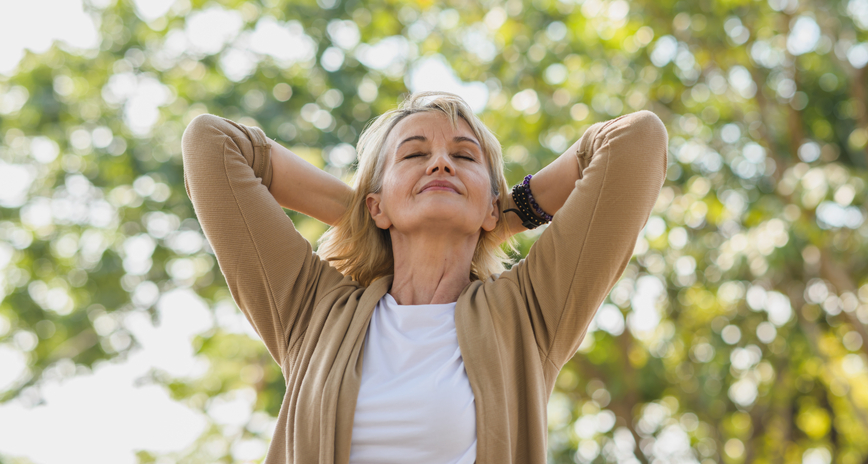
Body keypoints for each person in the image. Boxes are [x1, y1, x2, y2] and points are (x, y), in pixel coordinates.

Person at [180, 91, 667, 463]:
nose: (440, 161)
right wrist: (363, 213)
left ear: (490, 205)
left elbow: (635, 141)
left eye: (464, 156)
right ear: (377, 203)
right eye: (413, 155)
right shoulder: (312, 310)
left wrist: (508, 213)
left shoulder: (528, 312)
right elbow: (212, 144)